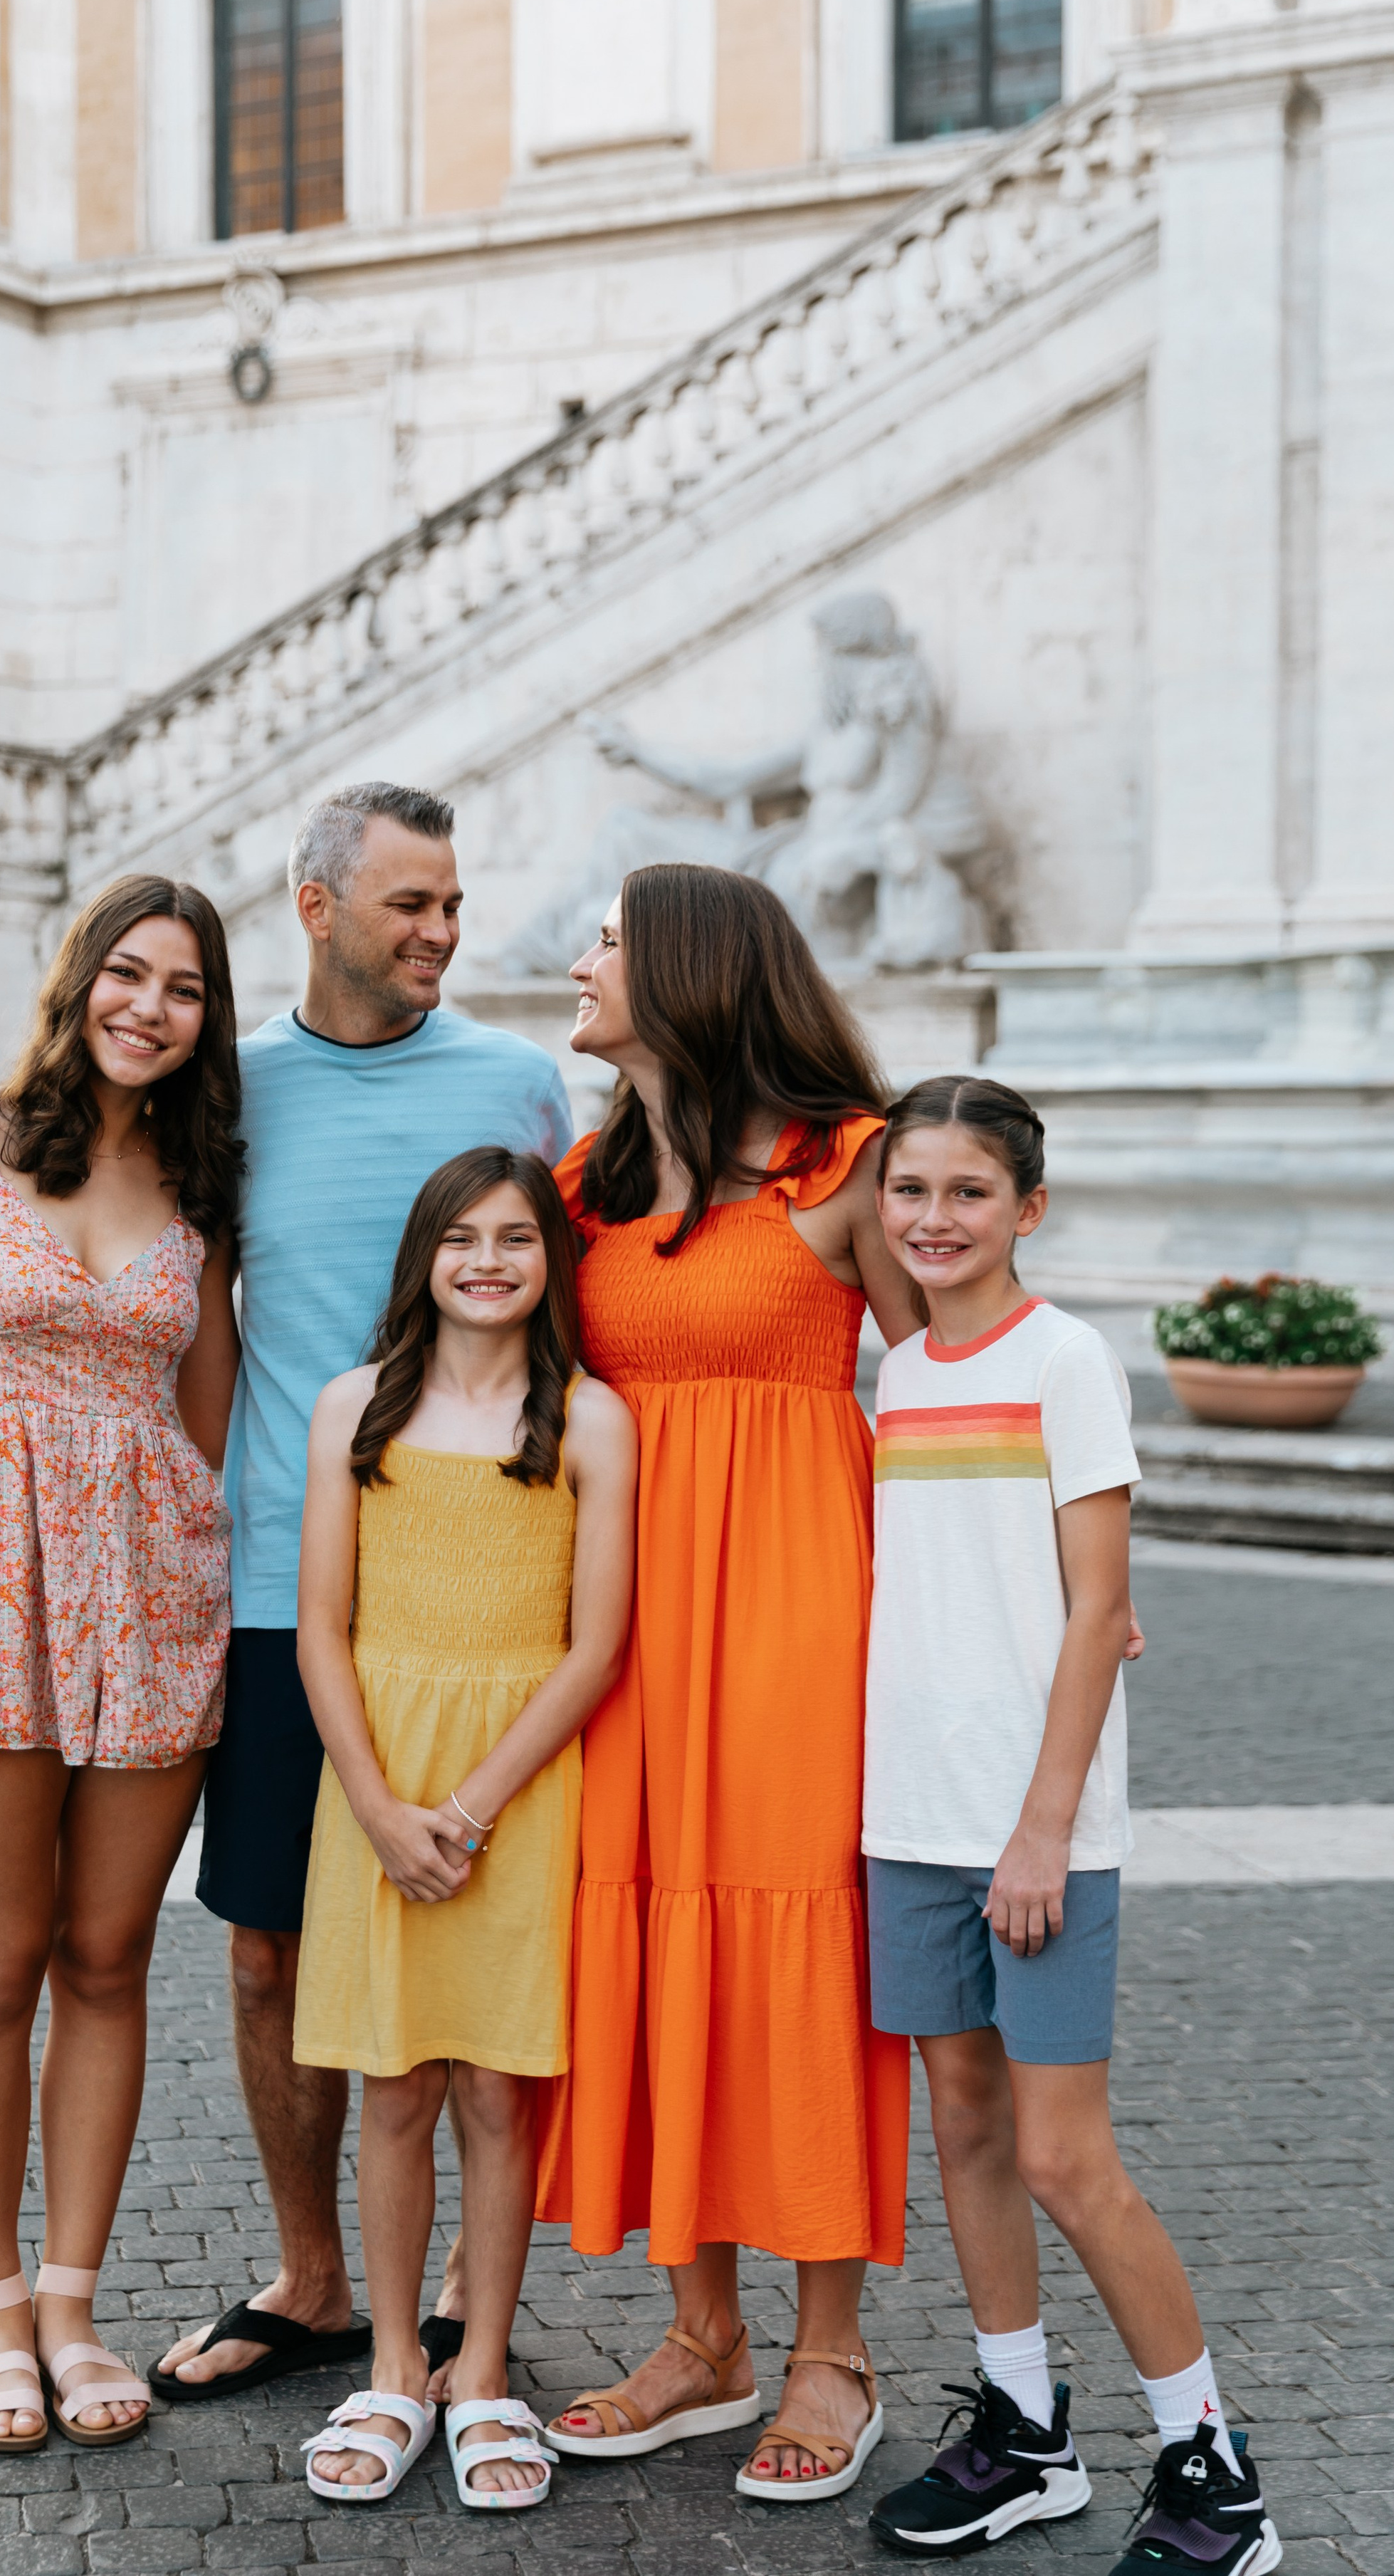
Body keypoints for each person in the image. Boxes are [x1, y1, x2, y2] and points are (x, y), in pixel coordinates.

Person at [154, 783, 575, 2405]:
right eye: (409, 904)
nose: (441, 932)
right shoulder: (228, 1091)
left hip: (477, 1604)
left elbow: (564, 1325)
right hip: (279, 1586)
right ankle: (314, 2276)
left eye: (454, 903)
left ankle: (470, 2280)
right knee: (267, 1954)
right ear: (314, 907)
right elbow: (181, 1308)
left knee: (469, 1947)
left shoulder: (515, 1085)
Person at [0, 875, 243, 2454]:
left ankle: (77, 2308)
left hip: (149, 1608)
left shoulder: (202, 1183)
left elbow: (199, 1418)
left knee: (108, 1961)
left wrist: (154, 1552)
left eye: (187, 990)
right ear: (77, 978)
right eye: (127, 974)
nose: (150, 1007)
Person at [861, 1078, 1281, 2576]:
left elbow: (1097, 1608)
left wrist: (1039, 1831)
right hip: (904, 1816)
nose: (932, 1218)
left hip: (1037, 1826)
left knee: (1062, 2156)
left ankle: (1212, 2469)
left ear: (1025, 1208)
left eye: (967, 1191)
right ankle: (1022, 2435)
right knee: (963, 2129)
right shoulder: (897, 1372)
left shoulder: (1065, 1361)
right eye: (908, 1189)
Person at [535, 861, 918, 2504]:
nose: (576, 962)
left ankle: (831, 2350)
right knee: (640, 1932)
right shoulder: (581, 1185)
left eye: (606, 942)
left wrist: (1052, 1585)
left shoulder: (850, 1162)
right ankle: (704, 2336)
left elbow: (948, 1378)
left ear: (689, 968)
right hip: (625, 1625)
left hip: (798, 1615)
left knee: (796, 1939)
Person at [290, 1149, 636, 2509]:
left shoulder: (592, 1420)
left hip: (518, 1786)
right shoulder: (351, 1409)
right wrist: (381, 1808)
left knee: (497, 2088)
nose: (489, 1261)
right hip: (373, 1778)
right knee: (395, 2086)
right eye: (463, 1238)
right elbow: (324, 1626)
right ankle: (389, 2366)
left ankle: (481, 2368)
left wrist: (472, 1810)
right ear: (423, 1254)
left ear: (554, 1262)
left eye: (518, 1239)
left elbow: (595, 1645)